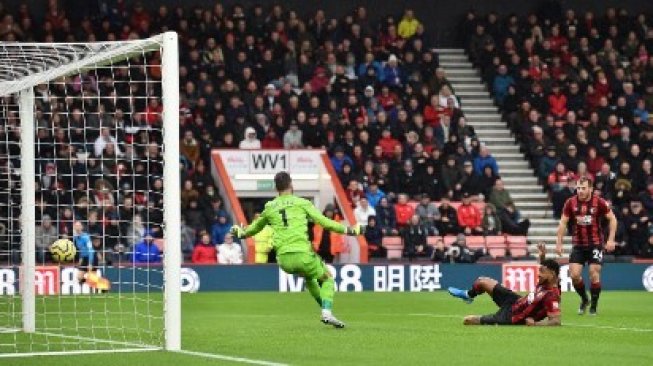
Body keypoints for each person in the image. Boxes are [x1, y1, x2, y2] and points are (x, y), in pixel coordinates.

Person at [230, 171, 362, 328]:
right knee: (327, 278)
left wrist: (240, 232)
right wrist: (350, 231)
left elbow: (252, 230)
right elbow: (324, 222)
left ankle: (326, 312)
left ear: (276, 188)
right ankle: (327, 312)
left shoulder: (269, 207)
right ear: (291, 184)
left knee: (309, 278)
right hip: (302, 255)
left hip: (284, 261)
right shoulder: (302, 203)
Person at [448, 243, 561, 326]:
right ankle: (468, 295)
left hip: (512, 317)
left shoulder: (551, 295)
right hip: (515, 301)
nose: (538, 274)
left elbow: (555, 320)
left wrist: (535, 324)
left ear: (552, 275)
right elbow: (548, 269)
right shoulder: (546, 281)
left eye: (542, 272)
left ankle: (490, 318)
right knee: (481, 281)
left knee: (467, 320)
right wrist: (542, 256)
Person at [556, 177, 617, 315]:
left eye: (583, 188)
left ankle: (593, 306)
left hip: (595, 243)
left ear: (591, 189)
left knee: (594, 273)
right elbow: (563, 223)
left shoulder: (599, 202)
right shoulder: (570, 203)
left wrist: (611, 239)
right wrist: (559, 243)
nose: (580, 191)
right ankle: (584, 299)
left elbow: (612, 218)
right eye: (578, 188)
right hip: (578, 244)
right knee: (575, 275)